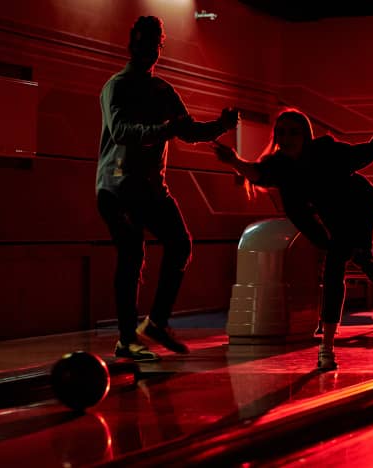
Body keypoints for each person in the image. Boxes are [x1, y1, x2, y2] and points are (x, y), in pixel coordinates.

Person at [211, 108, 373, 371]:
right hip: (331, 220)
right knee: (366, 260)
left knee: (338, 266)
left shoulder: (325, 151)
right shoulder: (280, 165)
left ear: (305, 135)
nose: (287, 138)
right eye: (282, 132)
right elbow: (258, 174)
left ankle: (327, 347)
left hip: (358, 207)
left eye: (293, 132)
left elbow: (359, 153)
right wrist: (232, 160)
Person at [96, 16, 239, 362]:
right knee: (132, 254)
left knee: (180, 243)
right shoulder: (117, 86)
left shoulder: (162, 91)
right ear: (133, 44)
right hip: (117, 187)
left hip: (150, 189)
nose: (151, 50)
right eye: (145, 43)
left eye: (157, 44)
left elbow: (186, 131)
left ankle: (156, 322)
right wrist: (164, 129)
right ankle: (127, 339)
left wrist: (219, 126)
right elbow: (121, 131)